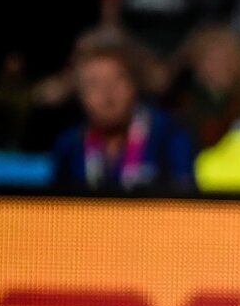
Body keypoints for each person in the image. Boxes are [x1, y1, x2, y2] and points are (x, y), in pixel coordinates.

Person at [52, 31, 196, 192]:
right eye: (94, 83)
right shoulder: (69, 146)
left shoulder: (170, 135)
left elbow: (185, 209)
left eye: (118, 79)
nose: (107, 93)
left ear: (135, 84)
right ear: (79, 93)